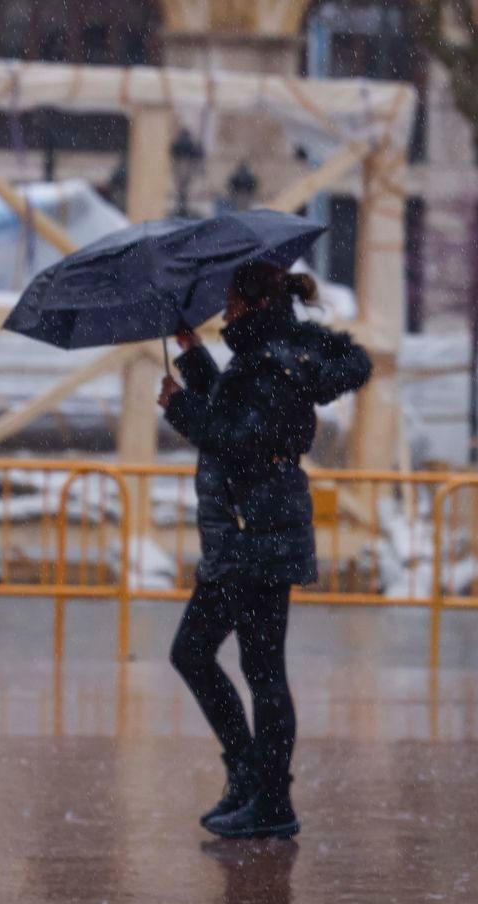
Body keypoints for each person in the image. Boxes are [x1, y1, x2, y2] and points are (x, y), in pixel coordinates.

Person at [159, 261, 371, 840]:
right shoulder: (269, 356)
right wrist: (194, 357)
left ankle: (264, 788)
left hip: (254, 536)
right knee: (251, 666)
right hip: (253, 533)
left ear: (252, 302)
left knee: (214, 658)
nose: (224, 310)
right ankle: (258, 785)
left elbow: (238, 439)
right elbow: (239, 412)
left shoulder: (269, 362)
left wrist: (180, 408)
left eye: (230, 299)